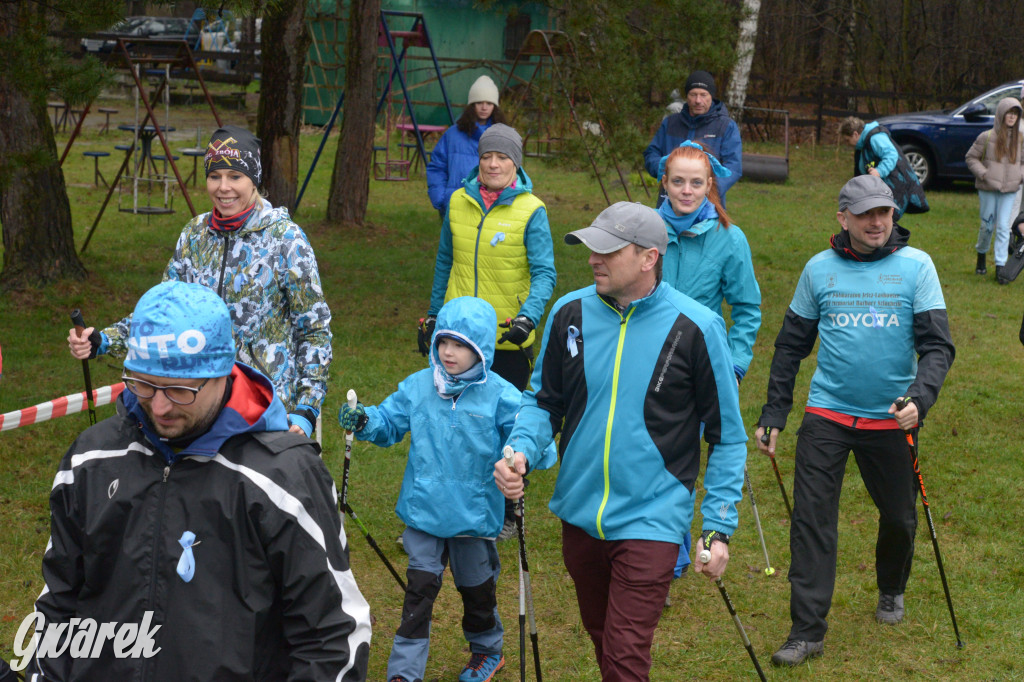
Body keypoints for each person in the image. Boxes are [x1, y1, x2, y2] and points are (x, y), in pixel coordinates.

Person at [28, 281, 370, 679]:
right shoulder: (92, 458)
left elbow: (333, 634)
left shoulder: (285, 478)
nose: (159, 406)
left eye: (179, 390)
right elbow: (58, 602)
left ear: (224, 372)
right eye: (143, 384)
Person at [494, 202, 747, 681]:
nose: (593, 258)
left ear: (649, 258)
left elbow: (728, 437)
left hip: (653, 516)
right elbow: (543, 401)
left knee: (626, 654)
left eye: (607, 250)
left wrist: (717, 526)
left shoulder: (697, 327)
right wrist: (521, 450)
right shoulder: (570, 313)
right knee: (604, 638)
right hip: (580, 514)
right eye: (591, 247)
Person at [754, 175, 955, 667]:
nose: (876, 222)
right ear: (843, 218)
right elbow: (789, 347)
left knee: (900, 519)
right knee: (812, 521)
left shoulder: (917, 267)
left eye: (884, 212)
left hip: (891, 418)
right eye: (865, 214)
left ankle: (891, 586)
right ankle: (806, 631)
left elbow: (937, 347)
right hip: (827, 415)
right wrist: (775, 411)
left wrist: (919, 399)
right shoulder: (818, 270)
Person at [67, 124, 331, 437]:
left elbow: (313, 327)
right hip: (199, 402)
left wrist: (306, 409)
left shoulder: (286, 239)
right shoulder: (194, 234)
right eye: (215, 176)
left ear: (254, 180)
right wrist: (104, 340)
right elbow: (164, 312)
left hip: (265, 410)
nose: (223, 187)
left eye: (235, 177)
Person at [341, 296, 552, 682]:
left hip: (474, 518)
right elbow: (388, 422)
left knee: (477, 593)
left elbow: (536, 440)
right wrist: (365, 419)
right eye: (443, 342)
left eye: (460, 345)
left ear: (482, 350)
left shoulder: (502, 394)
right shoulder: (420, 386)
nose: (448, 352)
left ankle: (487, 650)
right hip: (423, 513)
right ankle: (404, 672)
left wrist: (519, 458)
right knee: (418, 595)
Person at [657, 140, 761, 577]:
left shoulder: (728, 238)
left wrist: (734, 364)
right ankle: (664, 550)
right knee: (656, 456)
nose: (686, 190)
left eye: (695, 183)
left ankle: (676, 551)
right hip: (646, 360)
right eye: (678, 181)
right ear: (664, 182)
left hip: (701, 367)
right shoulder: (647, 231)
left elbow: (748, 307)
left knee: (686, 460)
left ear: (709, 185)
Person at [425, 123, 556, 391]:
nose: (493, 164)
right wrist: (434, 316)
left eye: (502, 157)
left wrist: (527, 318)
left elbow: (545, 274)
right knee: (452, 420)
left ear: (516, 164)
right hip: (457, 334)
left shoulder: (533, 210)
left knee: (501, 425)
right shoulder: (458, 201)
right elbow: (444, 262)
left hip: (506, 337)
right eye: (486, 156)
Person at [643, 70, 742, 207]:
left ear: (711, 96)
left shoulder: (726, 127)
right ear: (686, 96)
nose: (698, 101)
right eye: (693, 95)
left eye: (703, 95)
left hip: (708, 205)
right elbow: (651, 154)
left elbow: (733, 167)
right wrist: (664, 170)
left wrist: (707, 191)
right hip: (668, 203)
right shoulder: (670, 123)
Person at [426, 75, 508, 218]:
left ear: (494, 106)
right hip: (455, 207)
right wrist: (441, 198)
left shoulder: (504, 136)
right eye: (479, 102)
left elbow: (514, 172)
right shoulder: (452, 135)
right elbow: (437, 167)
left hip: (492, 209)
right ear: (472, 105)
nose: (484, 107)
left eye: (489, 103)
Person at [965, 97, 1024, 282]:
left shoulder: (1020, 139)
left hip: (1010, 190)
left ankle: (1000, 266)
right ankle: (981, 255)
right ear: (1001, 114)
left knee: (1004, 227)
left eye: (1015, 114)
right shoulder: (986, 136)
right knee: (987, 226)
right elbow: (971, 158)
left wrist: (1019, 176)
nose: (1012, 117)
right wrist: (984, 174)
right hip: (988, 189)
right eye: (1009, 113)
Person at [838, 116, 929, 220]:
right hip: (882, 189)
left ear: (855, 134)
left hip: (895, 185)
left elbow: (891, 155)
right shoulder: (863, 145)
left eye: (847, 140)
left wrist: (879, 171)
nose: (847, 143)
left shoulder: (875, 137)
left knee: (886, 221)